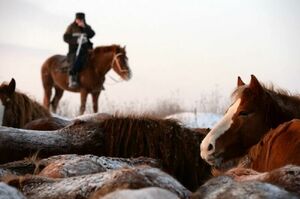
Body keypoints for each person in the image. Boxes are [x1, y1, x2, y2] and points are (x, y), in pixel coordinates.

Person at [63, 12, 95, 88]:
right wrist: (76, 40)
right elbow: (65, 37)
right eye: (78, 19)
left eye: (81, 19)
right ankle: (72, 77)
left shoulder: (87, 26)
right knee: (77, 59)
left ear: (83, 19)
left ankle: (96, 80)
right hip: (75, 49)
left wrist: (85, 27)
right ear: (75, 19)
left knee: (96, 59)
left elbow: (92, 34)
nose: (79, 21)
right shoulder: (71, 27)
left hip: (87, 48)